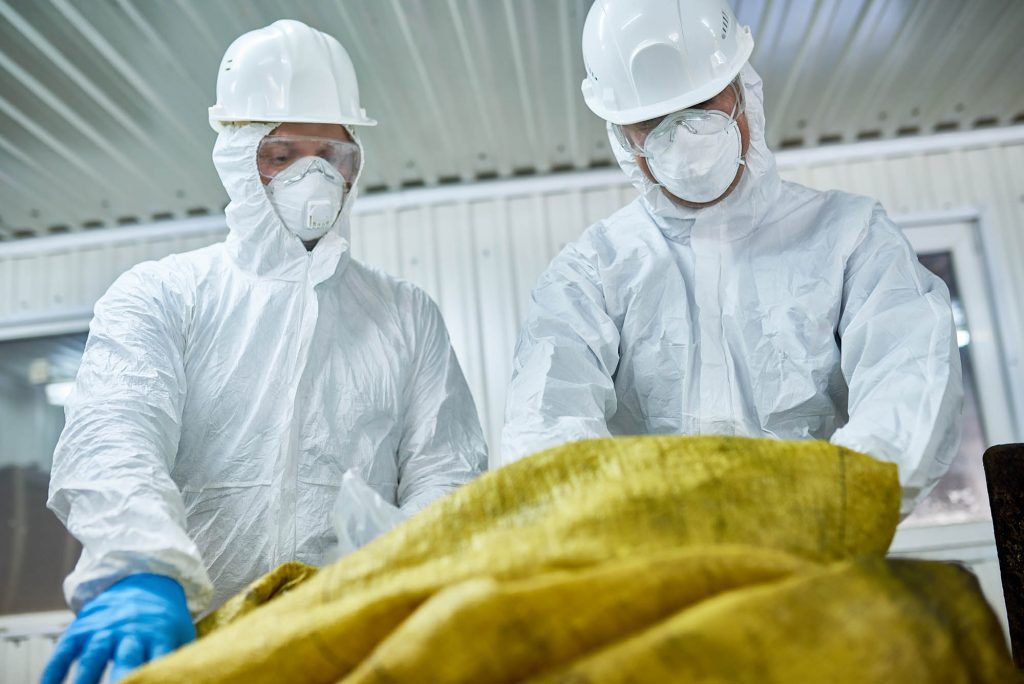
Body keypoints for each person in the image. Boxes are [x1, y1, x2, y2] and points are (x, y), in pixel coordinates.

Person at [43, 19, 486, 684]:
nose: (313, 179)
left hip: (361, 650)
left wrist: (419, 599)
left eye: (332, 156)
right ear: (236, 157)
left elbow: (446, 479)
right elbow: (116, 436)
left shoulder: (404, 315)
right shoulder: (162, 295)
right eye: (282, 155)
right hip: (191, 646)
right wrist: (141, 569)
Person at [502, 0, 962, 515]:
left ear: (744, 89)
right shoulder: (591, 272)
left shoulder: (850, 236)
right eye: (653, 121)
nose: (686, 139)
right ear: (623, 137)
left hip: (817, 555)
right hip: (653, 572)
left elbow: (910, 384)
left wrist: (830, 510)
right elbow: (546, 426)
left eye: (704, 103)